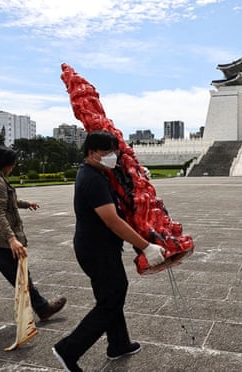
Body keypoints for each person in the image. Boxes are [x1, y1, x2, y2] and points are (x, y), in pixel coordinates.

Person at [52, 131, 165, 372]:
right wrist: (146, 247)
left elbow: (121, 180)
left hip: (98, 247)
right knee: (111, 299)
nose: (113, 157)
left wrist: (138, 177)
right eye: (108, 152)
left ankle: (118, 344)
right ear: (92, 153)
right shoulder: (92, 179)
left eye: (115, 152)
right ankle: (69, 349)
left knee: (110, 295)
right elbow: (112, 220)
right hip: (96, 250)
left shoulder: (99, 171)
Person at [0, 145, 67, 335]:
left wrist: (26, 204)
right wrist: (11, 239)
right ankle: (42, 307)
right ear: (7, 164)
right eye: (13, 163)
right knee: (21, 277)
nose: (14, 166)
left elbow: (5, 202)